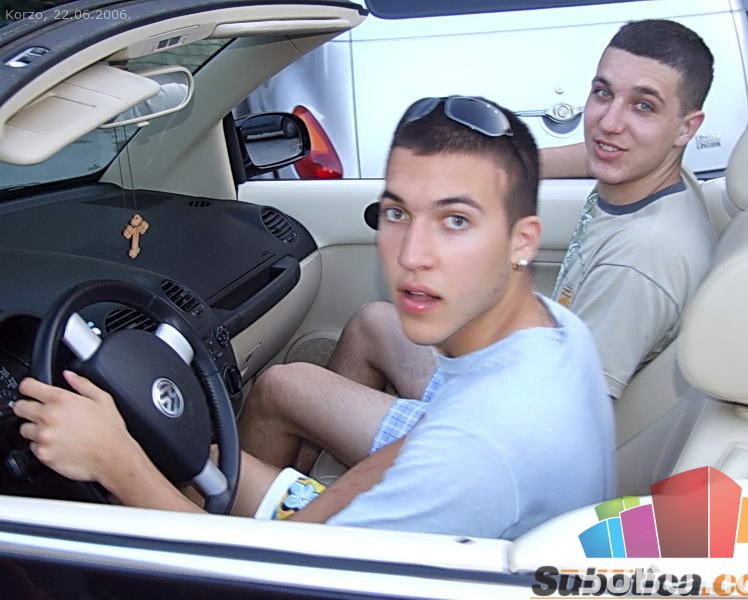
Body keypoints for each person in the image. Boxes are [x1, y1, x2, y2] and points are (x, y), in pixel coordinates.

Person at [13, 96, 615, 539]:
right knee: (213, 469)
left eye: (456, 220)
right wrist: (318, 512)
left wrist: (116, 461)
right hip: (410, 538)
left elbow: (257, 575)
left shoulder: (468, 461)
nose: (412, 254)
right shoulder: (551, 333)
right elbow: (416, 446)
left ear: (522, 240)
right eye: (398, 213)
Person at [239, 18, 717, 475]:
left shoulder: (641, 258)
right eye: (603, 93)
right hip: (512, 389)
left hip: (496, 453)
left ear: (686, 127)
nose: (609, 123)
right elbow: (592, 154)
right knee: (375, 322)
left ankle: (236, 520)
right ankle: (302, 493)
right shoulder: (654, 179)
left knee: (282, 387)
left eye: (643, 106)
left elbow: (560, 428)